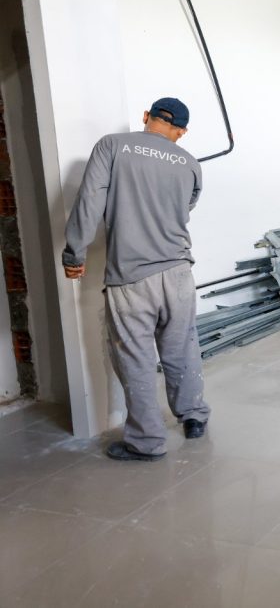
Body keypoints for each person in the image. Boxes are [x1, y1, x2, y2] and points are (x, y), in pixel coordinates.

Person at [63, 97, 210, 461]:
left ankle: (146, 442)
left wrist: (74, 254)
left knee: (135, 358)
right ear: (182, 131)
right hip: (179, 272)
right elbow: (186, 207)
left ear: (146, 116)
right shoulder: (190, 164)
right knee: (182, 348)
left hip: (131, 277)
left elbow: (89, 202)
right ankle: (193, 416)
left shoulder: (112, 146)